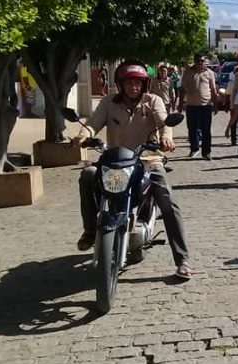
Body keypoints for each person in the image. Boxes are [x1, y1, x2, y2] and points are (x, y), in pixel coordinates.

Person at [74, 61, 192, 280]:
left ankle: (182, 259)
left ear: (144, 84)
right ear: (120, 84)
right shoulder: (109, 102)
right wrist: (83, 135)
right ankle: (90, 230)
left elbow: (164, 122)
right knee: (87, 175)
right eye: (128, 82)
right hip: (115, 162)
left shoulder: (153, 101)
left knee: (168, 201)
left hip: (148, 160)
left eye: (137, 83)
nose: (133, 87)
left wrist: (166, 138)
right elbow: (93, 122)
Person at [180, 54, 217, 160]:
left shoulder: (209, 73)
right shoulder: (188, 72)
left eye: (202, 61)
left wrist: (216, 104)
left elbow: (213, 89)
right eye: (198, 61)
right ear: (195, 61)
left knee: (206, 130)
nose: (200, 63)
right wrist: (180, 103)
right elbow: (183, 88)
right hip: (191, 105)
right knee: (192, 128)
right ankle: (194, 148)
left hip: (205, 105)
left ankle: (206, 152)